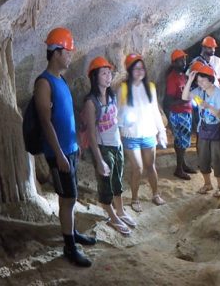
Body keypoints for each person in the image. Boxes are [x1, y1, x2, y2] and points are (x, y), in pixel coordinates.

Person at [34, 27, 96, 267]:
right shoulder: (44, 83)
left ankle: (73, 233)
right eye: (68, 52)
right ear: (56, 52)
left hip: (69, 149)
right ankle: (69, 246)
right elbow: (45, 121)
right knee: (67, 198)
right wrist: (59, 153)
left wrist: (75, 144)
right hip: (57, 153)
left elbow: (66, 116)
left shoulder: (60, 80)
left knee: (71, 197)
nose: (71, 56)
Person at [83, 57, 136, 236]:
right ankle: (113, 217)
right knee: (105, 185)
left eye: (109, 73)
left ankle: (120, 211)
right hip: (103, 147)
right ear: (94, 77)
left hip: (117, 144)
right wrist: (99, 160)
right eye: (103, 73)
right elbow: (91, 133)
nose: (108, 76)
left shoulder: (112, 96)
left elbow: (115, 119)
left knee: (117, 181)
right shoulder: (91, 102)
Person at [115, 54, 167, 213]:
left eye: (142, 68)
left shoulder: (150, 87)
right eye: (136, 68)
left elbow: (155, 112)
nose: (139, 71)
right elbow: (116, 114)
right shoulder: (122, 89)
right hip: (131, 136)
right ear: (129, 70)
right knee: (137, 168)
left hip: (148, 134)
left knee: (150, 166)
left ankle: (155, 194)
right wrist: (123, 123)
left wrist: (162, 132)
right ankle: (135, 198)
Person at [182, 61, 220, 197]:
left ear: (210, 80)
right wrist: (190, 80)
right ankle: (207, 184)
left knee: (217, 159)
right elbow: (184, 96)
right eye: (199, 82)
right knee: (203, 158)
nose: (201, 84)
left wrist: (208, 106)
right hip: (203, 130)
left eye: (203, 81)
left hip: (219, 132)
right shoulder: (198, 92)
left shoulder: (219, 93)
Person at [165, 49, 196, 180]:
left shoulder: (183, 76)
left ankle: (182, 165)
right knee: (180, 142)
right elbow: (169, 100)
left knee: (184, 141)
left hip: (186, 111)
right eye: (180, 60)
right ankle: (179, 169)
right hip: (178, 113)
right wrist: (184, 99)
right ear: (173, 63)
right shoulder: (172, 78)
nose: (183, 62)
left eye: (184, 59)